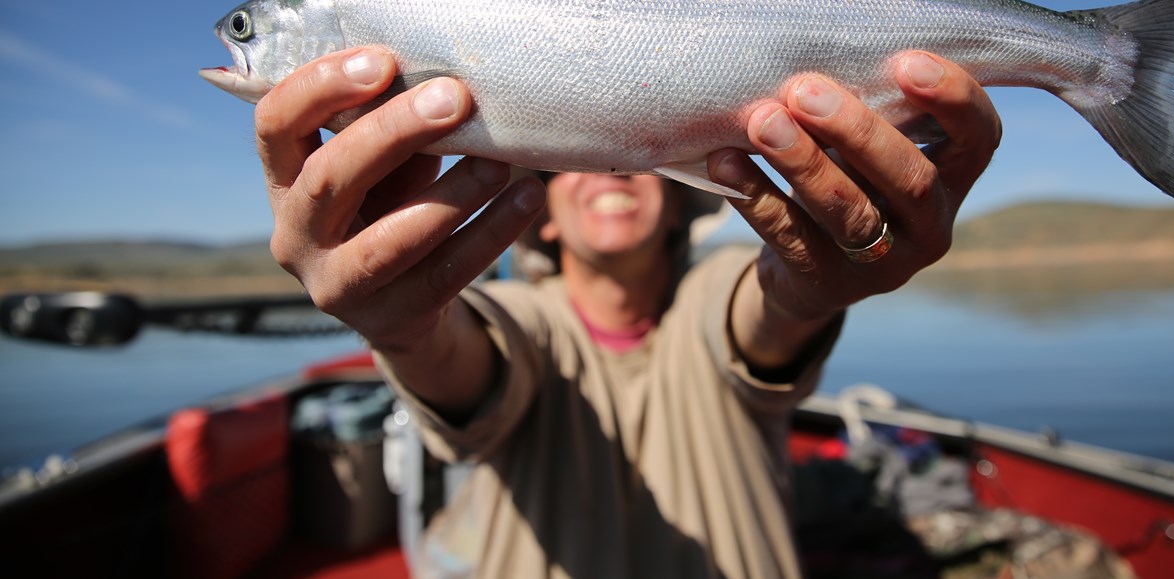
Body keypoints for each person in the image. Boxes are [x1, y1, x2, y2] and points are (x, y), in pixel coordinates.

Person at [254, 46, 1001, 578]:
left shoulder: (714, 296)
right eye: (579, 165)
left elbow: (767, 312)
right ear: (543, 213)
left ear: (675, 197)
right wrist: (401, 323)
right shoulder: (518, 317)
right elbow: (461, 359)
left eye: (629, 160)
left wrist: (821, 282)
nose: (608, 176)